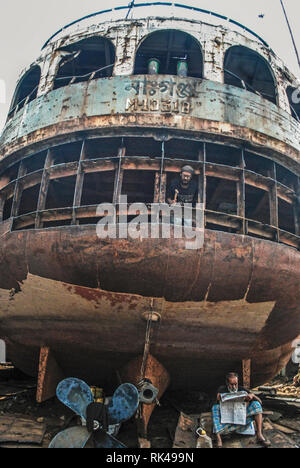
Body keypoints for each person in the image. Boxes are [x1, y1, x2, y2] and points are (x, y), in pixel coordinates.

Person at [212, 372, 271, 448]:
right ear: (227, 383)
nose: (234, 386)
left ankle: (259, 434)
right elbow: (215, 402)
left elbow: (260, 402)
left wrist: (252, 395)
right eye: (231, 384)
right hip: (226, 416)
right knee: (215, 408)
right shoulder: (222, 389)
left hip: (240, 415)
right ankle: (219, 439)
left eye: (235, 384)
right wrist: (218, 398)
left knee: (256, 405)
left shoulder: (241, 389)